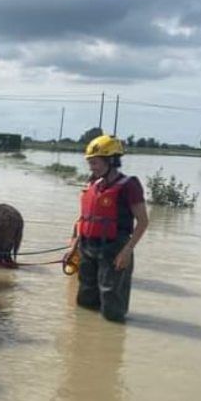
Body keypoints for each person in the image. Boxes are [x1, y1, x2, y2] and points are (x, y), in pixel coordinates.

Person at [66, 135, 149, 322]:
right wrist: (74, 245)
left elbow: (143, 221)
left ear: (111, 160)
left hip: (114, 248)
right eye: (90, 163)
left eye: (95, 163)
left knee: (112, 308)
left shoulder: (129, 186)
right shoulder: (93, 184)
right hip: (87, 247)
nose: (91, 167)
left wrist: (127, 251)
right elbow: (84, 217)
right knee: (85, 301)